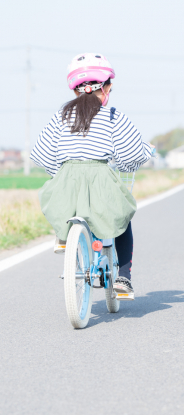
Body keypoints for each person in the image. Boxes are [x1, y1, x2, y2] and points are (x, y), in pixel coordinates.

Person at [30, 52, 153, 295]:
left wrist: (60, 173)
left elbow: (40, 153)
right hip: (100, 177)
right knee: (121, 219)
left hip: (66, 179)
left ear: (76, 90)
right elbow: (129, 154)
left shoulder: (61, 115)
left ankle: (64, 236)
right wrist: (142, 156)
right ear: (106, 87)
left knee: (65, 206)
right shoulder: (112, 116)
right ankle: (124, 277)